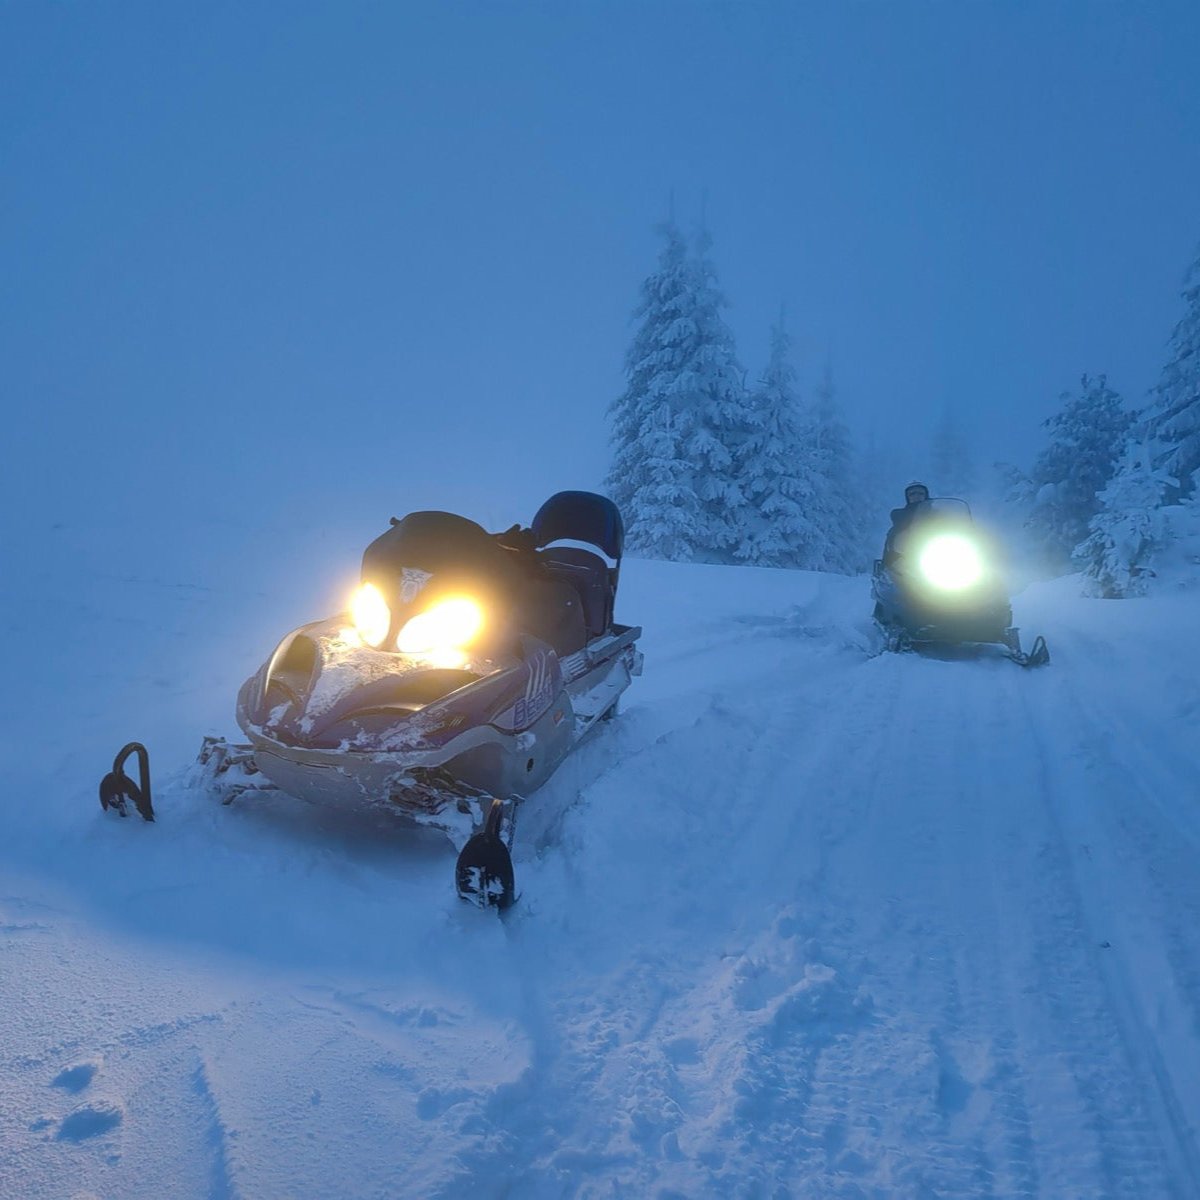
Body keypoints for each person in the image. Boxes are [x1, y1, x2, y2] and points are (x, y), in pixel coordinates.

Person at [882, 481, 931, 566]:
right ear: (907, 497)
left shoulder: (936, 513)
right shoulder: (901, 514)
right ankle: (886, 567)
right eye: (912, 494)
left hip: (934, 552)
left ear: (926, 495)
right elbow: (898, 519)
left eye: (921, 493)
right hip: (907, 556)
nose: (917, 496)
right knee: (892, 533)